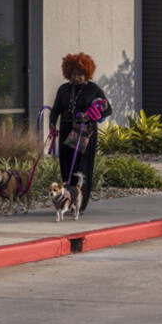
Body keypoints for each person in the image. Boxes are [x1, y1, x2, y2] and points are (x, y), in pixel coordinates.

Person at [49, 52, 112, 214]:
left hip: (84, 133)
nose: (77, 77)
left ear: (87, 73)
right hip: (66, 131)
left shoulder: (93, 90)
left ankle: (80, 204)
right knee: (66, 166)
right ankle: (66, 199)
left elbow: (107, 109)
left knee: (82, 168)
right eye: (73, 74)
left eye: (80, 74)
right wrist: (51, 125)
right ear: (68, 73)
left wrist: (89, 115)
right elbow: (56, 110)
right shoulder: (63, 89)